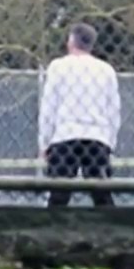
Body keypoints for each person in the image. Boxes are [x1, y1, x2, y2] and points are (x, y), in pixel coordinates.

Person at [38, 23, 121, 208]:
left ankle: (51, 233)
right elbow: (113, 110)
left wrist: (45, 142)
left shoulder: (58, 67)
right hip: (97, 137)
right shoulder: (106, 70)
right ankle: (111, 232)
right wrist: (110, 143)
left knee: (58, 195)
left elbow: (49, 106)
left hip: (65, 136)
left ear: (71, 41)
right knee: (102, 195)